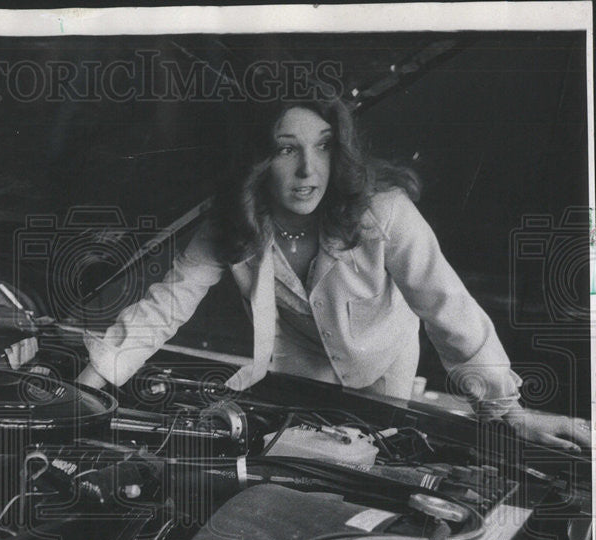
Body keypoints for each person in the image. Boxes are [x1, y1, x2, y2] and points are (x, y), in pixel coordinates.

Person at [77, 98, 591, 452]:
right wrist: (89, 387)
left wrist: (509, 412)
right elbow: (167, 304)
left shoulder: (385, 214)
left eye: (322, 145)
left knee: (387, 457)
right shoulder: (229, 222)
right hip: (297, 368)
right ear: (257, 160)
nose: (308, 170)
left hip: (384, 365)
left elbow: (447, 307)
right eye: (286, 148)